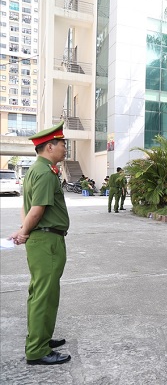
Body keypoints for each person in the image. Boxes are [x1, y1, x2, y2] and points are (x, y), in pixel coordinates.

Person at [8, 120, 71, 365]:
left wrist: (24, 230)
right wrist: (24, 232)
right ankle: (37, 350)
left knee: (41, 292)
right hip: (47, 240)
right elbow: (36, 209)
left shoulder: (36, 170)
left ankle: (42, 338)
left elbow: (27, 207)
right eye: (62, 144)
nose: (65, 149)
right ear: (49, 147)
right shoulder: (45, 172)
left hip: (43, 238)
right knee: (44, 294)